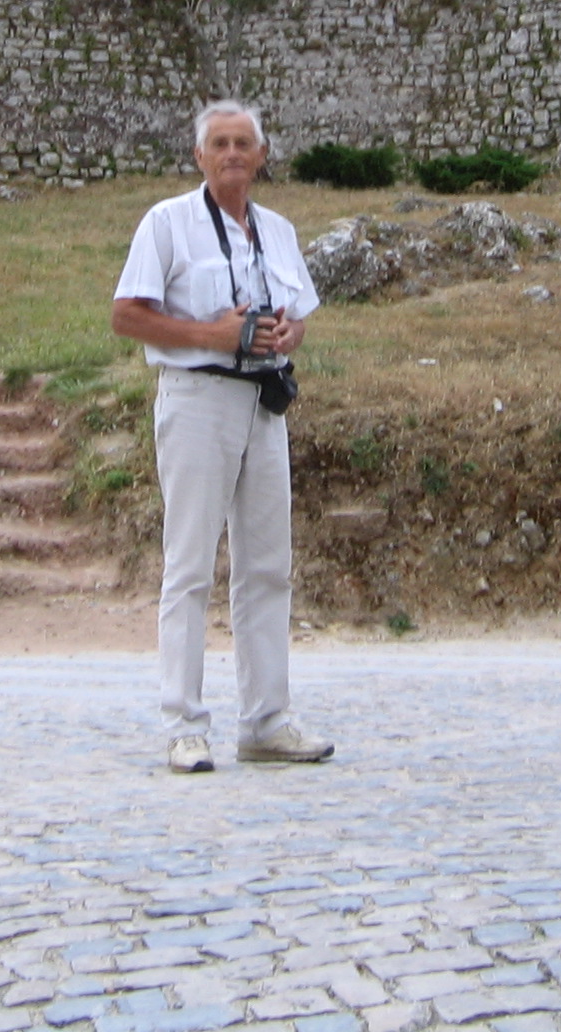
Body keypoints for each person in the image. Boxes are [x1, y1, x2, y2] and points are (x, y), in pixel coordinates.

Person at [111, 100, 333, 774]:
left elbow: (300, 315)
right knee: (189, 565)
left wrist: (289, 333)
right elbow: (127, 315)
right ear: (199, 156)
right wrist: (211, 334)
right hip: (198, 398)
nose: (232, 154)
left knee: (267, 565)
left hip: (263, 402)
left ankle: (266, 720)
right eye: (220, 144)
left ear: (261, 156)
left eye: (243, 143)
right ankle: (183, 725)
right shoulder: (167, 223)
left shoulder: (279, 231)